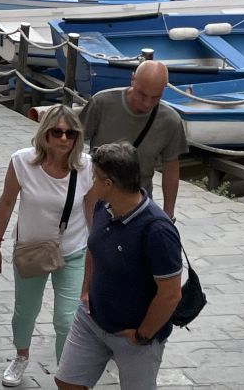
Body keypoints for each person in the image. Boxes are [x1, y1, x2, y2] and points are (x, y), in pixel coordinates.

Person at [55, 142, 182, 390]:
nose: (91, 182)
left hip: (134, 335)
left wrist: (142, 335)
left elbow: (170, 294)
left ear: (108, 183)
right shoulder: (104, 206)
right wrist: (85, 292)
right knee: (67, 382)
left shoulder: (157, 230)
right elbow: (94, 248)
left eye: (94, 177)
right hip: (92, 320)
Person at [0, 106, 95, 387]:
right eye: (57, 132)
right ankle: (21, 356)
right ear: (45, 133)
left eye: (71, 133)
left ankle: (67, 374)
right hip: (31, 250)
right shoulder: (22, 162)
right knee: (25, 310)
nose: (64, 138)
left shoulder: (86, 166)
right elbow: (7, 202)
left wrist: (98, 254)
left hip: (72, 250)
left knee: (67, 319)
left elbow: (92, 212)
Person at [80, 60, 187, 221]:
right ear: (132, 79)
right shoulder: (102, 102)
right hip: (97, 201)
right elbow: (74, 142)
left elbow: (171, 168)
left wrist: (168, 214)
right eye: (142, 94)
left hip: (138, 207)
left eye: (155, 97)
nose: (147, 103)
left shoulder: (170, 121)